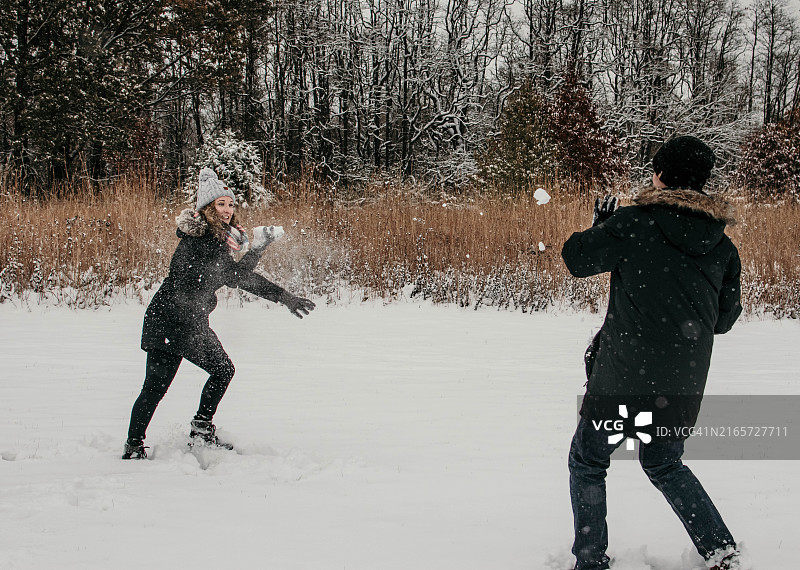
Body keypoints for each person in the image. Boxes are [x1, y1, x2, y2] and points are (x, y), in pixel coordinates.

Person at [561, 136, 743, 570]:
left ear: (662, 175)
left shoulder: (634, 223)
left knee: (587, 461)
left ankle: (590, 559)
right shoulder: (722, 246)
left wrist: (599, 227)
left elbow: (577, 258)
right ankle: (720, 550)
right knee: (664, 463)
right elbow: (723, 320)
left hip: (621, 380)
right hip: (679, 389)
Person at [122, 168, 315, 460]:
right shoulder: (201, 241)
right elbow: (235, 276)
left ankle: (201, 427)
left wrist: (280, 291)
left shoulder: (218, 240)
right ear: (207, 208)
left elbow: (233, 274)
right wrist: (275, 281)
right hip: (169, 321)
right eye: (220, 204)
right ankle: (134, 445)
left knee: (223, 370)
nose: (227, 209)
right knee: (155, 388)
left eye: (231, 204)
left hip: (192, 322)